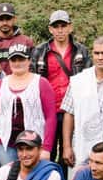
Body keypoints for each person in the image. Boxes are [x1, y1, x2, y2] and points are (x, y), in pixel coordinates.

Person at [0, 44, 56, 170]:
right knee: (10, 179)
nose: (17, 63)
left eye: (21, 59)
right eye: (14, 60)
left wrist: (47, 148)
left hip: (33, 143)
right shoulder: (0, 84)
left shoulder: (41, 83)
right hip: (6, 143)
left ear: (29, 61)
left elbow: (50, 117)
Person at [31, 10, 91, 161]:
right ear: (50, 29)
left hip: (72, 111)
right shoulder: (39, 51)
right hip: (47, 110)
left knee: (70, 153)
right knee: (46, 153)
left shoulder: (81, 51)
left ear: (70, 27)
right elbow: (32, 79)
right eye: (56, 26)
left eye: (63, 26)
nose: (60, 30)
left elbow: (89, 79)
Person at [61, 36, 103, 170]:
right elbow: (69, 114)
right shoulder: (79, 80)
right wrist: (67, 146)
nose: (100, 57)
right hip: (80, 148)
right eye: (97, 53)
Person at [0, 2, 35, 75]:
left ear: (14, 19)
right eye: (1, 19)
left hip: (20, 83)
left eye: (8, 19)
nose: (5, 23)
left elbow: (33, 67)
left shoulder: (26, 41)